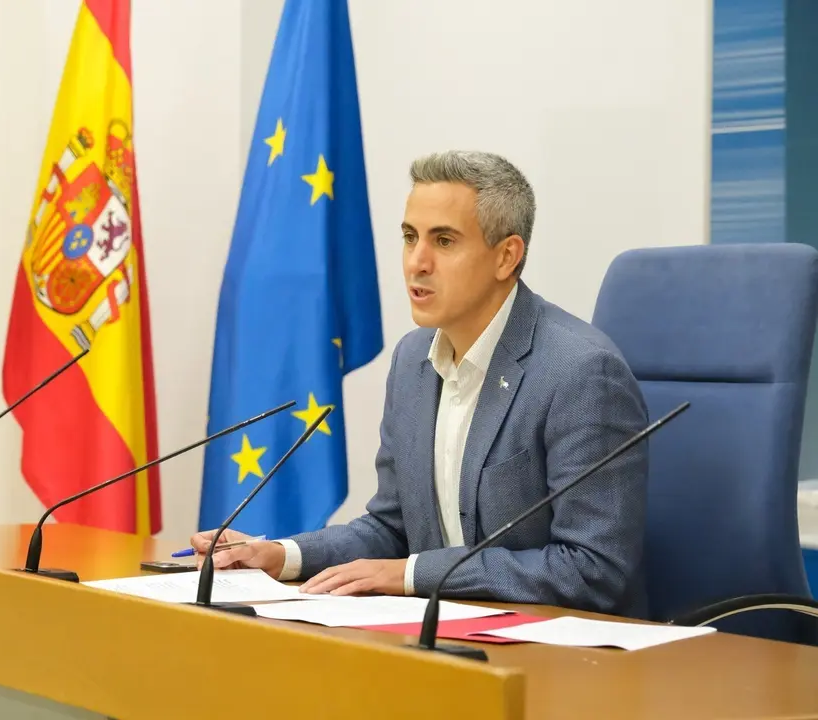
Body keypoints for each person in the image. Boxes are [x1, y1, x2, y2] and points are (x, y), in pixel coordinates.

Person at [190, 150, 650, 618]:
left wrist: (411, 575)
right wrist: (284, 557)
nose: (417, 262)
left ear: (506, 256)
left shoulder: (581, 373)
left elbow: (592, 569)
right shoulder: (413, 359)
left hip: (561, 657)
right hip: (441, 639)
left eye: (444, 241)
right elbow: (393, 528)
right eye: (410, 238)